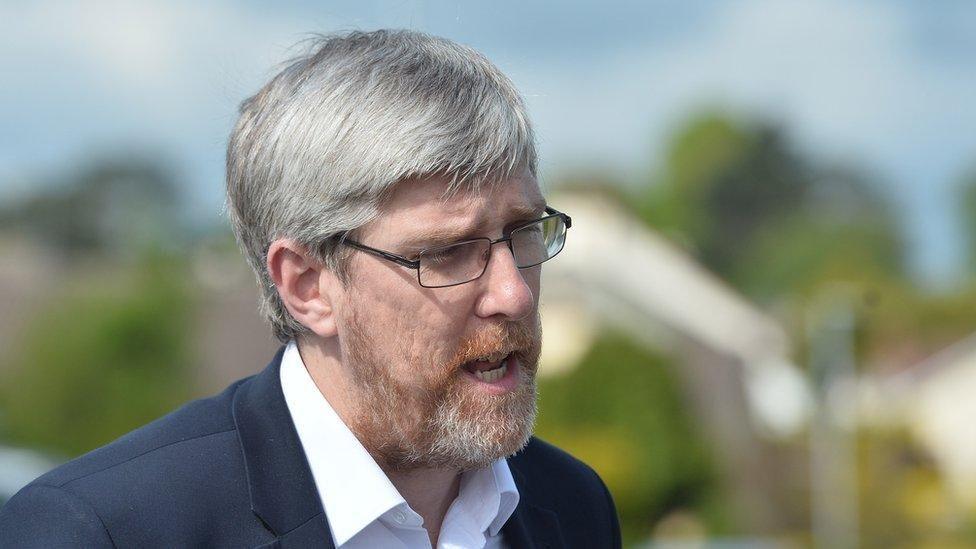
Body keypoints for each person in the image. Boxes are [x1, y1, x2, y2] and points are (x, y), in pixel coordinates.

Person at [0, 29, 620, 548]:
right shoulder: (102, 531)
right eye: (449, 251)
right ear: (307, 286)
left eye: (523, 234)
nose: (513, 294)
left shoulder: (571, 508)